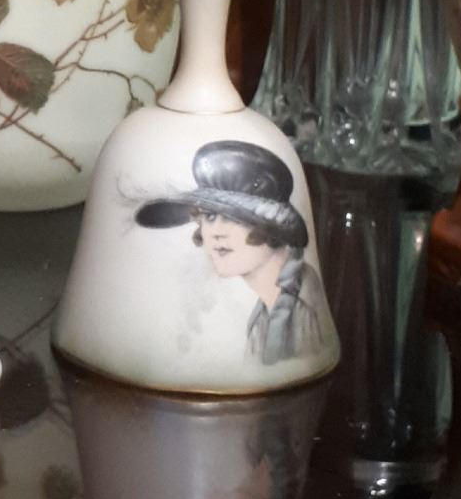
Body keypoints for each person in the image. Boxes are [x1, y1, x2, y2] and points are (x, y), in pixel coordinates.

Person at [134, 140, 329, 365]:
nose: (216, 232)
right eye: (209, 216)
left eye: (234, 217)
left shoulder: (303, 310)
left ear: (270, 226)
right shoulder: (264, 315)